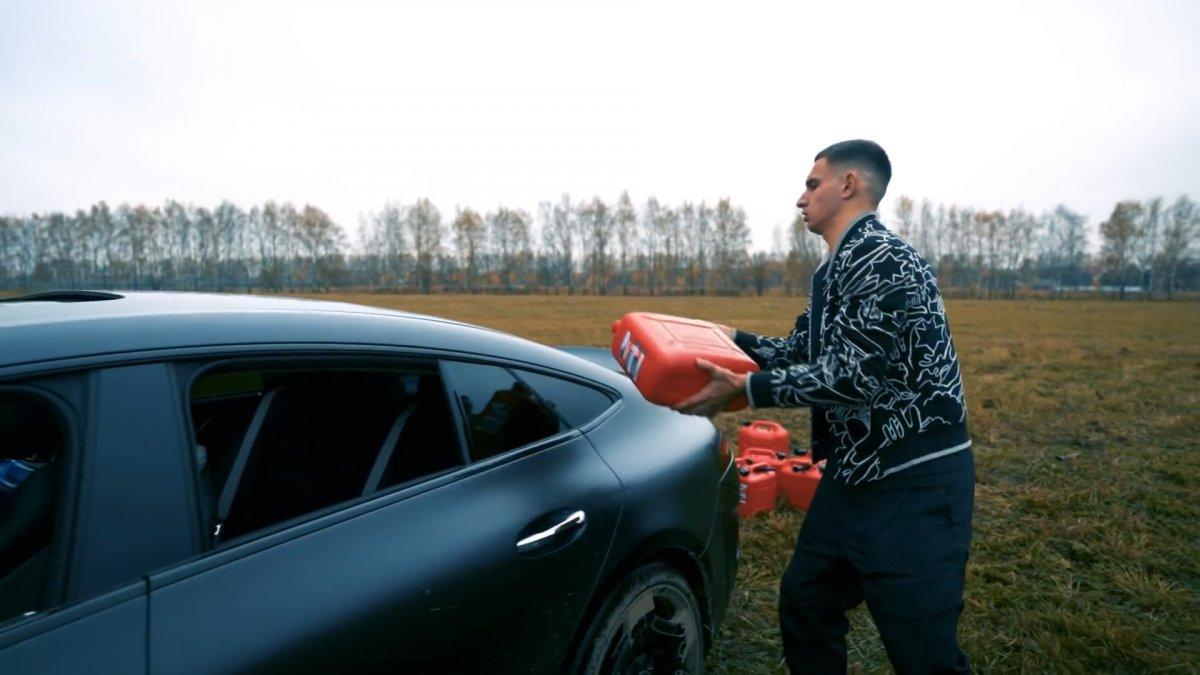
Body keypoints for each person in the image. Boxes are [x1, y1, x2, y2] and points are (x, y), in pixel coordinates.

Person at [674, 140, 974, 673]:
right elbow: (800, 353)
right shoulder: (834, 271)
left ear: (849, 185)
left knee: (922, 652)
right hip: (853, 480)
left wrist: (746, 392)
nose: (801, 198)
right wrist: (728, 339)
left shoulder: (884, 259)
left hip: (914, 483)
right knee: (807, 603)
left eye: (812, 184)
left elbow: (855, 375)